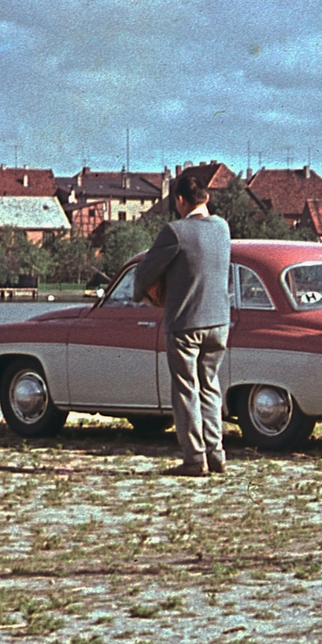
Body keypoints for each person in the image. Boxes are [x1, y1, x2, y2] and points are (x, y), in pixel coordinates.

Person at [134, 176, 232, 476]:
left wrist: (147, 294)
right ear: (207, 198)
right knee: (210, 388)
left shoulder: (174, 232)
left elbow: (144, 271)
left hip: (185, 322)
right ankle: (217, 455)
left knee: (186, 390)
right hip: (219, 321)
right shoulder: (223, 228)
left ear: (179, 200)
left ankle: (194, 459)